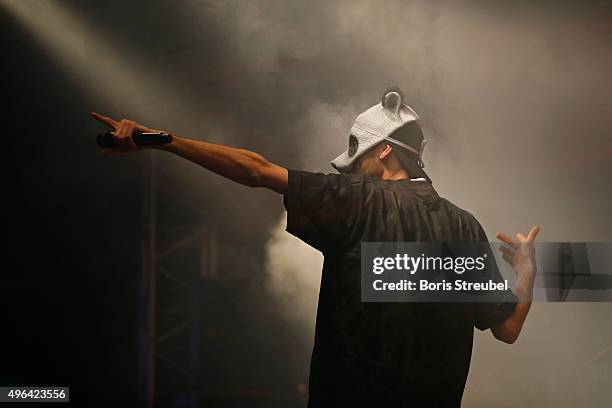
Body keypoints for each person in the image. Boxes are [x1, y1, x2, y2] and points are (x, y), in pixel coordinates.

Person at [92, 88, 540, 407]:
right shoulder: (464, 228)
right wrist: (525, 272)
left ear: (384, 152)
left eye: (359, 156)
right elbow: (508, 328)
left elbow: (256, 170)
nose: (352, 170)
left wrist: (164, 141)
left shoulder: (352, 201)